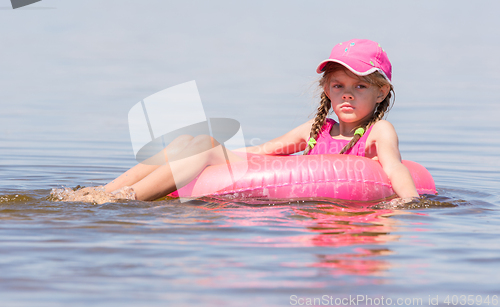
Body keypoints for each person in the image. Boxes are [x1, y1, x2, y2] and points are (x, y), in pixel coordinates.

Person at [101, 38, 419, 202]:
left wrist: (409, 202)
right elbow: (264, 152)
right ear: (327, 89)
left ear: (381, 92)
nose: (347, 95)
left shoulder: (379, 131)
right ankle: (106, 192)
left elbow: (394, 168)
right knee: (196, 141)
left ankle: (127, 201)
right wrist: (214, 152)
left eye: (359, 87)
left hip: (333, 198)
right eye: (339, 86)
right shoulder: (316, 129)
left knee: (203, 150)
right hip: (288, 186)